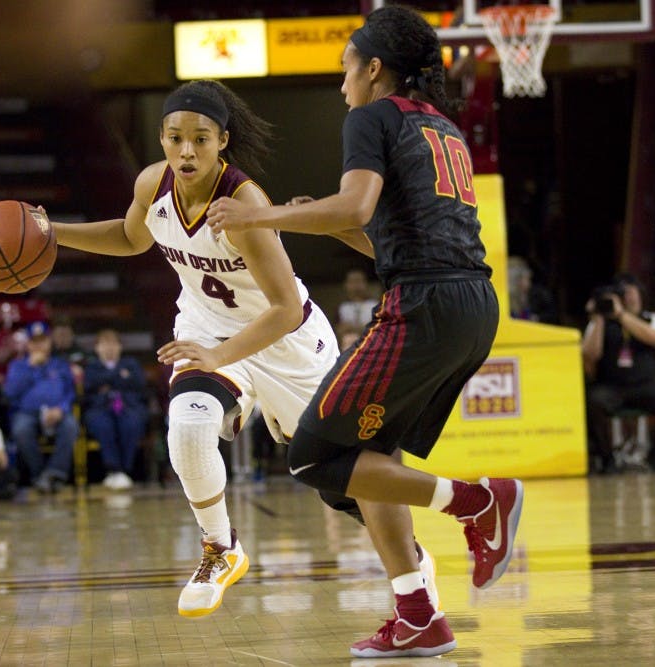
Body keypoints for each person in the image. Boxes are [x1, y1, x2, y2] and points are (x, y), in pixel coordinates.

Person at [206, 7, 523, 657]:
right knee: (366, 462)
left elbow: (353, 206)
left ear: (374, 69)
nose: (342, 83)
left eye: (346, 68)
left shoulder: (370, 117)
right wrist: (307, 217)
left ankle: (480, 500)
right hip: (471, 303)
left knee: (314, 455)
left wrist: (260, 216)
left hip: (425, 305)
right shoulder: (441, 126)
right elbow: (377, 234)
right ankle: (418, 613)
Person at [46, 78, 398, 619]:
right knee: (186, 430)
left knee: (342, 484)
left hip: (289, 344)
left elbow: (282, 310)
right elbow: (129, 238)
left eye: (201, 139)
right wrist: (53, 234)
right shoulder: (151, 185)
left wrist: (220, 356)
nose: (186, 150)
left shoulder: (244, 202)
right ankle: (221, 547)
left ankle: (413, 571)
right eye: (175, 137)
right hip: (208, 329)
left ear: (222, 141)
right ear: (162, 140)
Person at [581, 274, 655, 474]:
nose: (628, 297)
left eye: (631, 292)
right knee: (593, 402)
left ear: (640, 294)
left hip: (645, 384)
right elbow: (591, 354)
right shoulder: (600, 322)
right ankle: (607, 459)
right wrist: (600, 318)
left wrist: (621, 316)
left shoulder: (652, 319)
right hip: (612, 386)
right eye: (623, 293)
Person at [3, 320, 79, 493]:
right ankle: (39, 475)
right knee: (21, 430)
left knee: (71, 426)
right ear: (28, 344)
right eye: (34, 342)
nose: (39, 346)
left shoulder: (60, 364)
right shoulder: (18, 366)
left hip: (57, 411)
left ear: (49, 342)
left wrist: (61, 409)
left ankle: (55, 472)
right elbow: (10, 393)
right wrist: (30, 367)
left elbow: (70, 392)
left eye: (43, 341)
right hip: (27, 412)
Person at [82, 328, 149, 490]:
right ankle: (113, 468)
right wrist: (119, 376)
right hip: (100, 408)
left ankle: (124, 470)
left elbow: (139, 384)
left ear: (120, 347)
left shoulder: (131, 364)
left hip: (128, 406)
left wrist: (106, 382)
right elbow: (89, 386)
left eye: (113, 343)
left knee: (131, 423)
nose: (109, 348)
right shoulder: (91, 367)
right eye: (104, 344)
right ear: (97, 348)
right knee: (103, 425)